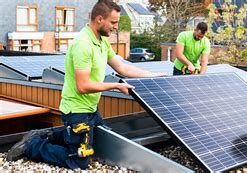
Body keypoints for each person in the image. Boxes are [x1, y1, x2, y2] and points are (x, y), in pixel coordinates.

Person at [7, 0, 166, 169]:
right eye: (113, 22)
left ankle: (48, 135)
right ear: (99, 19)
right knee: (79, 161)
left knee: (105, 139)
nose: (116, 26)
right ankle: (33, 146)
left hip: (91, 108)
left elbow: (122, 67)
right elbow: (82, 86)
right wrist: (116, 86)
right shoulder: (83, 44)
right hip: (76, 110)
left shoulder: (102, 40)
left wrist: (154, 75)